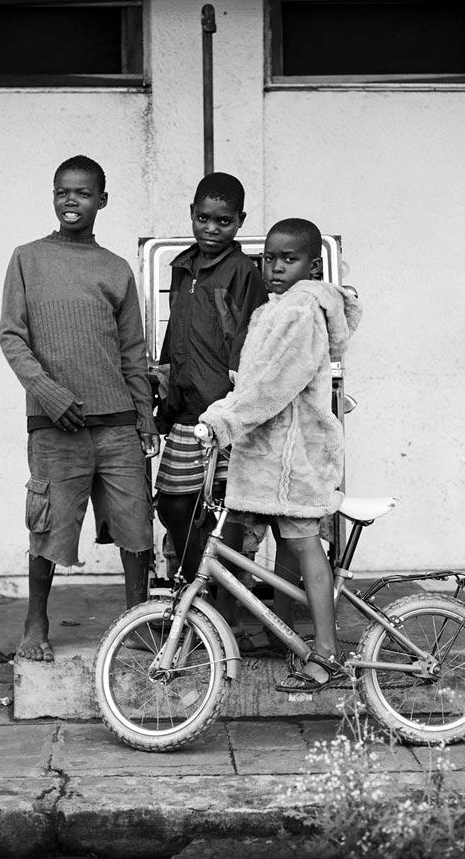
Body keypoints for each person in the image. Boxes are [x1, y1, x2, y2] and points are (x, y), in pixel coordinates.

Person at [0, 154, 159, 662]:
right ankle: (36, 621)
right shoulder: (27, 258)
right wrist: (50, 394)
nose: (73, 200)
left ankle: (136, 620)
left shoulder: (115, 269)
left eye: (84, 193)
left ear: (102, 201)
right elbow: (12, 338)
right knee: (49, 522)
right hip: (54, 426)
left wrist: (145, 418)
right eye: (63, 191)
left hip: (117, 425)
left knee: (136, 524)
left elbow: (133, 351)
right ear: (53, 197)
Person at [199, 217, 363, 691]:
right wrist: (228, 411)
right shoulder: (274, 309)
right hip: (268, 454)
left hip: (290, 457)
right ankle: (283, 634)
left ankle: (327, 653)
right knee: (272, 537)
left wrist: (223, 421)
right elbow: (252, 383)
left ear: (312, 265)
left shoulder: (301, 311)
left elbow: (274, 385)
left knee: (303, 540)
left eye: (287, 259)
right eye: (269, 258)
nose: (274, 267)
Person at [154, 172, 267, 646]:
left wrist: (238, 404)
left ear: (239, 222)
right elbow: (175, 331)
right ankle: (193, 590)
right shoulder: (182, 268)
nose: (212, 228)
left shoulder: (244, 273)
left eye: (224, 220)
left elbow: (250, 339)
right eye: (203, 218)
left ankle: (221, 608)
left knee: (224, 512)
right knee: (175, 503)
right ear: (192, 215)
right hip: (184, 413)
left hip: (223, 416)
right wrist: (161, 381)